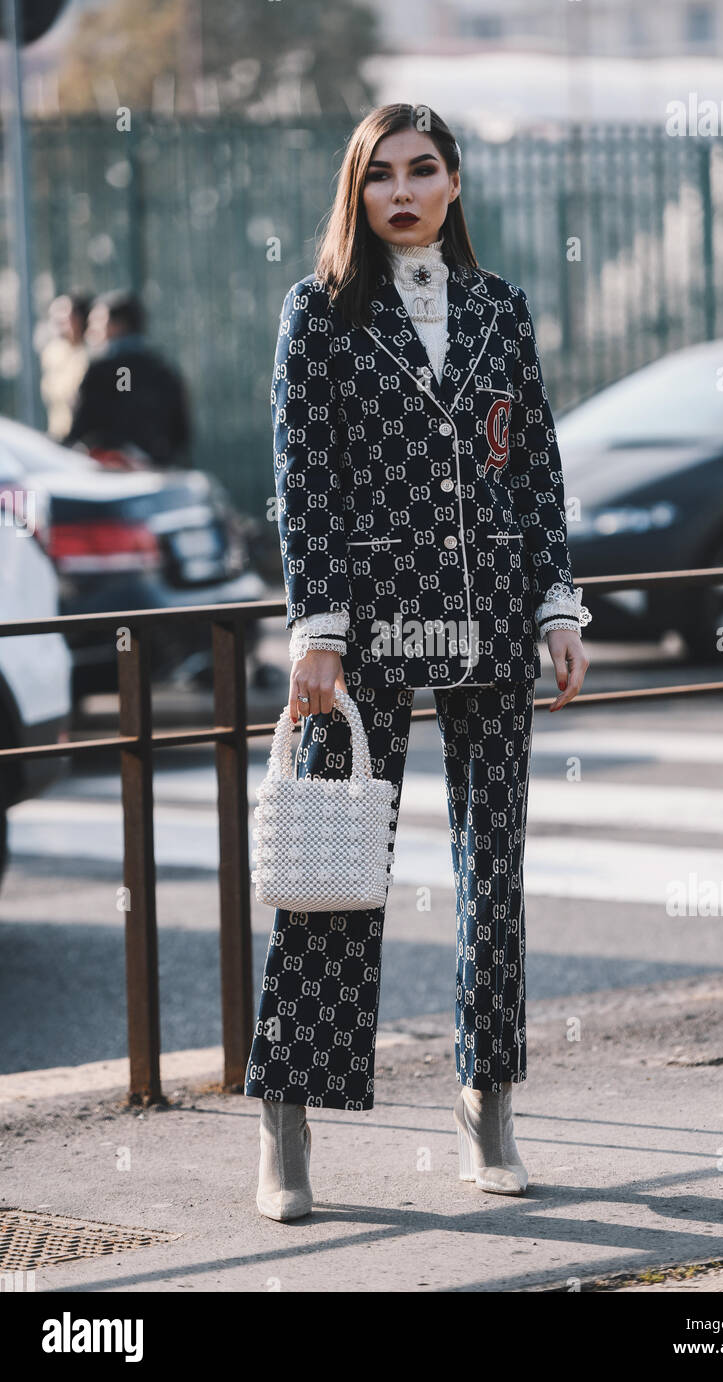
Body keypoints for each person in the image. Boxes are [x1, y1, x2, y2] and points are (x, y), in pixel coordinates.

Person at [245, 103, 592, 1222]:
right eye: (380, 174)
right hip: (368, 627)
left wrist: (555, 602)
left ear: (452, 184)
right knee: (339, 871)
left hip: (492, 615)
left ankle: (485, 1101)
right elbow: (302, 480)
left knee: (494, 877)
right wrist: (317, 630)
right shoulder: (319, 313)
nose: (401, 191)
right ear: (356, 189)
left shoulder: (499, 307)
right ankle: (287, 1124)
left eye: (422, 170)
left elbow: (533, 462)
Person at [63, 290, 191, 468]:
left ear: (118, 326)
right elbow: (180, 431)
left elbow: (83, 426)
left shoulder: (105, 369)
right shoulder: (163, 369)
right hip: (157, 469)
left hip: (111, 471)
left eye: (96, 323)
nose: (90, 332)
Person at [39, 291, 93, 441]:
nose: (58, 322)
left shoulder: (95, 354)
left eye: (64, 317)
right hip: (58, 434)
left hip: (87, 440)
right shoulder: (52, 353)